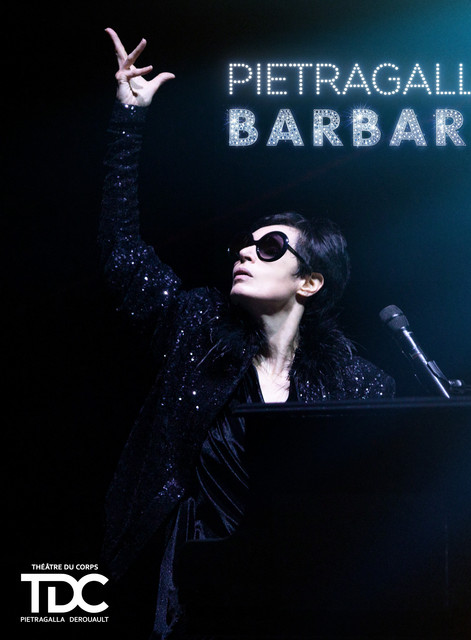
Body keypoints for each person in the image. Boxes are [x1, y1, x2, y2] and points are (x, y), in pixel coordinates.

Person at [99, 28, 395, 639]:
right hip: (191, 590)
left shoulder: (355, 382)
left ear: (309, 282)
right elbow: (124, 255)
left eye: (270, 247)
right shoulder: (197, 327)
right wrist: (128, 122)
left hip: (298, 594)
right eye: (244, 244)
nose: (245, 253)